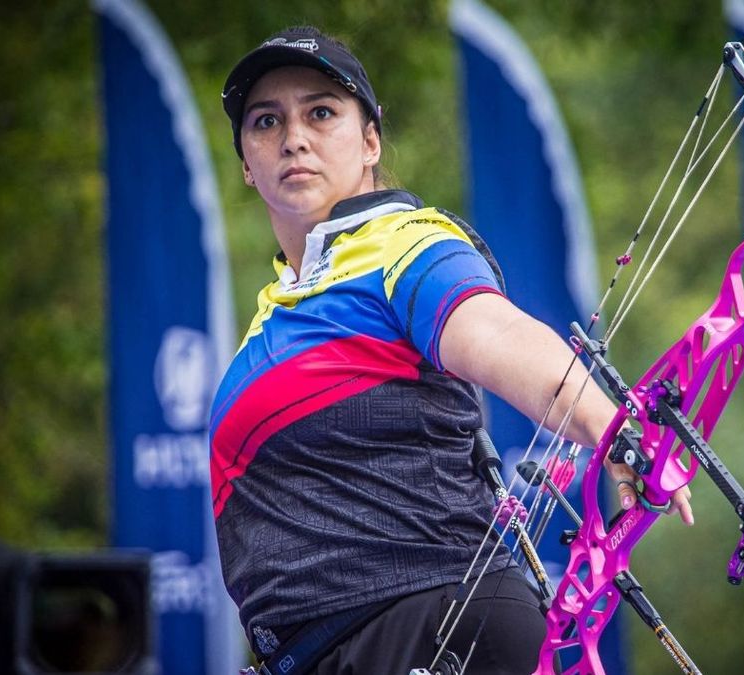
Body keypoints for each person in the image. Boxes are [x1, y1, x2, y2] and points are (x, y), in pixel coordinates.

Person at [208, 25, 693, 675]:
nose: (293, 137)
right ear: (246, 162)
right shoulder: (277, 309)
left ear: (370, 140)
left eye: (321, 112)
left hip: (434, 632)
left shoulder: (403, 241)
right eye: (266, 121)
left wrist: (609, 428)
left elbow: (495, 332)